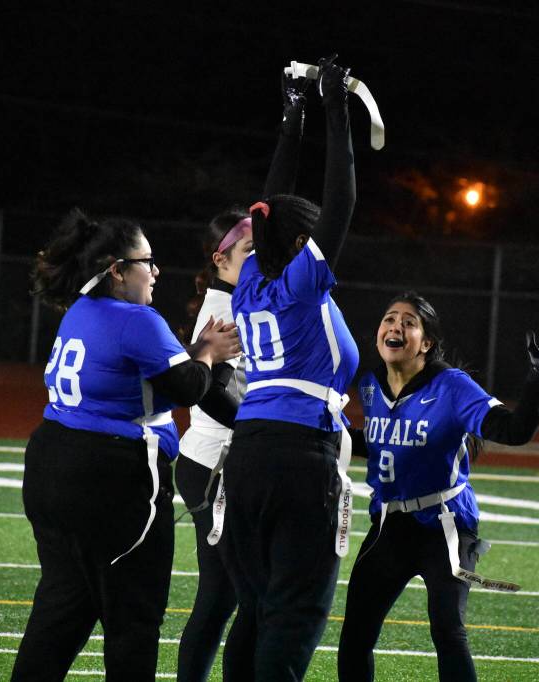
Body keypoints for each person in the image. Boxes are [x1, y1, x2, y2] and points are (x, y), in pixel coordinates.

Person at [10, 209, 240, 681]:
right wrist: (209, 354)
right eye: (146, 261)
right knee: (133, 620)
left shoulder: (78, 309)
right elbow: (187, 387)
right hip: (111, 475)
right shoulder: (136, 319)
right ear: (116, 269)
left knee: (61, 609)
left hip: (50, 461)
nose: (155, 271)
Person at [336, 292, 539, 682]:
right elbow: (381, 442)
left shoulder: (451, 385)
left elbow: (514, 431)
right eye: (389, 318)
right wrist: (330, 427)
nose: (395, 326)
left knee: (447, 631)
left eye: (408, 322)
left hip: (444, 527)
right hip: (389, 525)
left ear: (426, 343)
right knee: (355, 635)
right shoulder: (370, 385)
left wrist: (538, 377)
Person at [219, 55, 359, 682]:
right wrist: (336, 110)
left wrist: (292, 117)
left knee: (256, 608)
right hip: (299, 457)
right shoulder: (302, 281)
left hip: (246, 453)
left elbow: (265, 209)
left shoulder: (250, 279)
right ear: (303, 242)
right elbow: (342, 200)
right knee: (295, 613)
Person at [175, 206, 253, 682]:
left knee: (227, 595)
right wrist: (267, 431)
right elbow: (209, 395)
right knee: (230, 595)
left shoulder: (237, 299)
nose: (259, 259)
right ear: (220, 259)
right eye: (249, 251)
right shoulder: (224, 312)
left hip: (214, 461)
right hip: (215, 465)